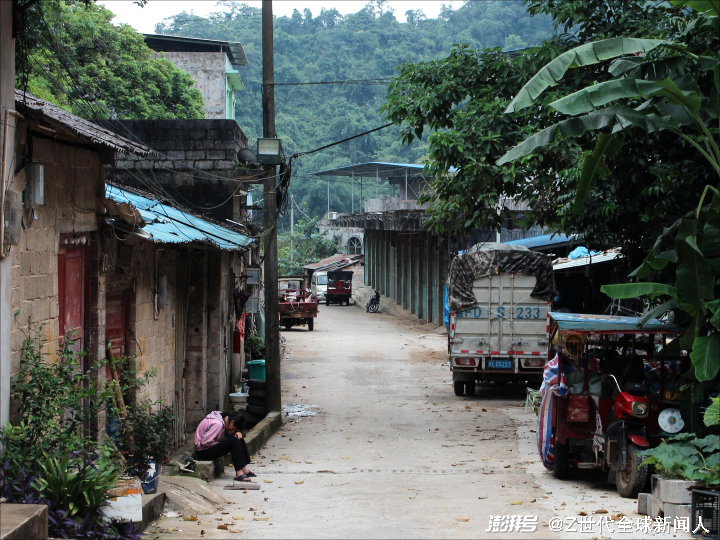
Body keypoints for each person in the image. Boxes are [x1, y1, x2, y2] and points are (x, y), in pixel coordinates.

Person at [194, 411, 255, 482]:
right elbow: (204, 442)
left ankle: (244, 470)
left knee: (238, 439)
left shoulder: (222, 418)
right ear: (232, 422)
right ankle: (239, 473)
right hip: (203, 452)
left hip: (207, 448)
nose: (232, 430)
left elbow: (229, 432)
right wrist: (220, 444)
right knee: (234, 441)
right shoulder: (218, 424)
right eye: (233, 428)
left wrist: (237, 432)